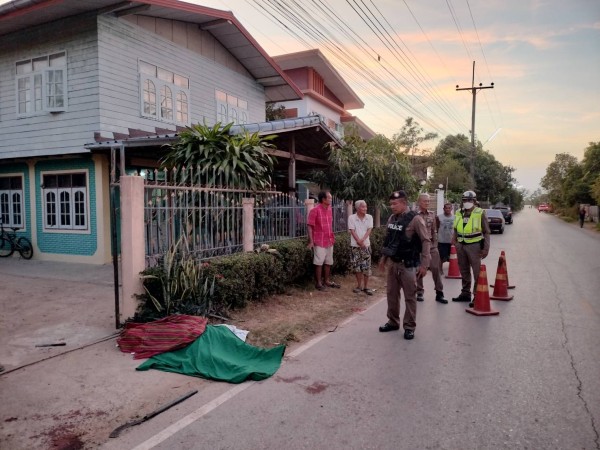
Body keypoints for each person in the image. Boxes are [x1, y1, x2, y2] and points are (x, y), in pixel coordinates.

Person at [378, 190, 431, 340]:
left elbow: (426, 241)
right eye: (391, 204)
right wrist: (383, 258)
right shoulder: (392, 218)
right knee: (392, 294)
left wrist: (424, 265)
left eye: (395, 204)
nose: (392, 206)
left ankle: (409, 326)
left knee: (410, 296)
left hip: (408, 265)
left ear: (404, 203)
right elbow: (389, 239)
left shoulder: (415, 219)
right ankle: (393, 321)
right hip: (393, 263)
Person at [451, 190, 491, 306]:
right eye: (465, 200)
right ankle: (465, 293)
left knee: (476, 272)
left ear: (474, 201)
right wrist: (454, 240)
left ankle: (477, 296)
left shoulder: (480, 213)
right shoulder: (458, 212)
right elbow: (456, 228)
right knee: (464, 271)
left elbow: (486, 232)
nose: (467, 202)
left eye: (469, 200)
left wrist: (486, 248)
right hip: (461, 245)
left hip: (474, 246)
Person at [415, 193, 447, 303]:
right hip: (419, 246)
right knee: (419, 269)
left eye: (428, 201)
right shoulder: (414, 215)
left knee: (436, 268)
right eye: (425, 201)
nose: (427, 203)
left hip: (431, 246)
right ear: (419, 202)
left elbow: (434, 230)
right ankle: (419, 292)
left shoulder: (432, 215)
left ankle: (439, 293)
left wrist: (435, 244)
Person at [307, 190, 340, 291]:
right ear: (323, 199)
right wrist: (311, 241)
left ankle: (327, 281)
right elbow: (310, 226)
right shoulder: (315, 210)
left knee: (328, 261)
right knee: (319, 262)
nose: (331, 199)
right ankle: (318, 283)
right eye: (329, 198)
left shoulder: (329, 209)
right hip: (319, 240)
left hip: (329, 239)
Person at [348, 200, 374, 295]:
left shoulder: (369, 217)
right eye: (363, 207)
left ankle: (366, 287)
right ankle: (359, 286)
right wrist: (358, 241)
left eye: (366, 206)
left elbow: (369, 230)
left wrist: (362, 241)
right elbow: (352, 230)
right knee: (357, 267)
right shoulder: (352, 218)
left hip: (366, 245)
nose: (365, 208)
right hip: (355, 246)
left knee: (367, 267)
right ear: (357, 208)